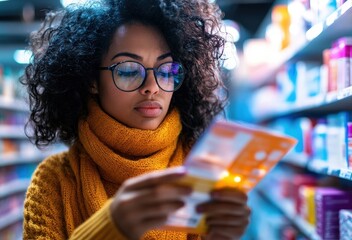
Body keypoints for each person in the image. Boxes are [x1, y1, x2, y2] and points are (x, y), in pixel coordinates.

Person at [21, 0, 250, 239]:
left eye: (167, 71)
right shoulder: (54, 180)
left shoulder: (203, 169)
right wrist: (109, 228)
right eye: (129, 71)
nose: (152, 87)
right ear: (91, 81)